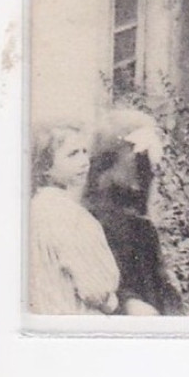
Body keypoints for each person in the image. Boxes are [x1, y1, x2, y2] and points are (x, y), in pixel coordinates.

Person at [85, 108, 182, 316]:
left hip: (137, 251)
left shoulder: (140, 222)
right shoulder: (99, 214)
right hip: (123, 291)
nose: (145, 165)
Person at [29, 121, 119, 315]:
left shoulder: (36, 207)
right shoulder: (69, 215)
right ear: (46, 166)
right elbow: (97, 289)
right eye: (73, 154)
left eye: (84, 151)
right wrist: (110, 300)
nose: (84, 161)